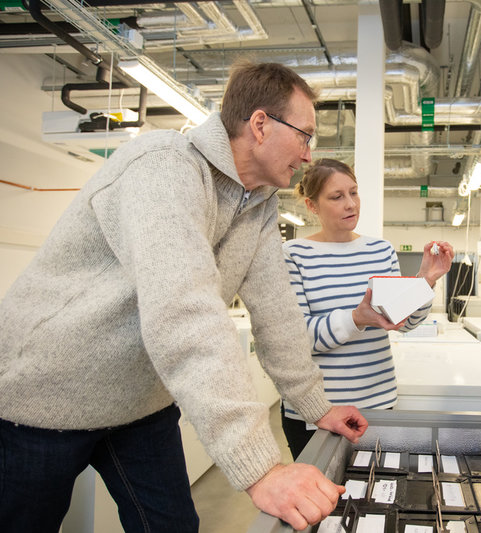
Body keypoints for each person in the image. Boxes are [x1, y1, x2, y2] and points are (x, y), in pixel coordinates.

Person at [0, 62, 367, 532]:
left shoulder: (257, 202)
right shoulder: (163, 167)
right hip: (44, 397)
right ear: (260, 125)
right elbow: (184, 312)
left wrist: (317, 406)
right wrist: (261, 469)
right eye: (304, 135)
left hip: (139, 403)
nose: (309, 154)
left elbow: (277, 311)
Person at [281, 159, 454, 457]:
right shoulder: (294, 254)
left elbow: (406, 321)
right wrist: (356, 319)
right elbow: (296, 339)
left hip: (377, 402)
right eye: (337, 197)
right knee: (324, 501)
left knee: (378, 495)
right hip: (317, 411)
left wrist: (425, 281)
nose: (351, 204)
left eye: (354, 193)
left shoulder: (381, 250)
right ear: (312, 206)